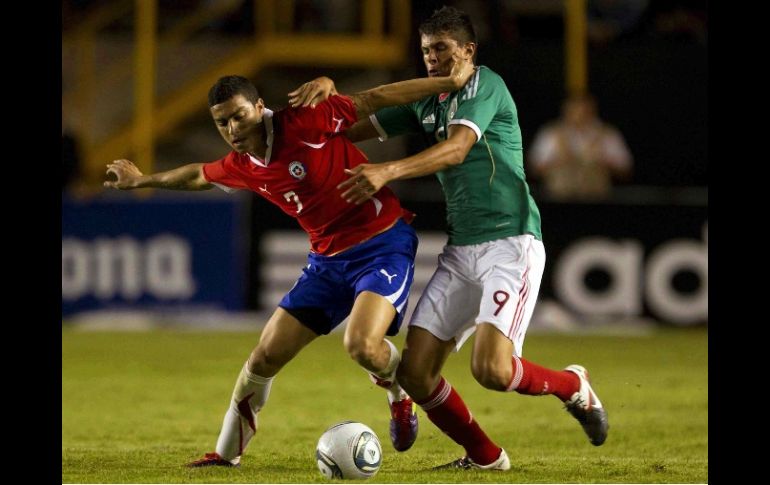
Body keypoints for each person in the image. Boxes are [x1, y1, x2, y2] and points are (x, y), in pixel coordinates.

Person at [103, 63, 475, 467]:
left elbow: (374, 98)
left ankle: (399, 394)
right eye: (222, 123)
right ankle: (226, 456)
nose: (232, 130)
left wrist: (448, 83)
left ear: (259, 107)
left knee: (362, 345)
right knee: (263, 358)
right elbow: (197, 175)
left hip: (382, 244)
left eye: (239, 117)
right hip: (326, 265)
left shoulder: (305, 120)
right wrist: (142, 180)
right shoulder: (242, 165)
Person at [297, 5, 610, 470]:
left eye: (442, 49)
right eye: (426, 51)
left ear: (468, 50)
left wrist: (389, 170)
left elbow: (458, 148)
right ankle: (486, 458)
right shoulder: (427, 101)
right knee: (415, 374)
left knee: (492, 370)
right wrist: (318, 109)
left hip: (512, 241)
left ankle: (573, 386)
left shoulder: (488, 86)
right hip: (461, 249)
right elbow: (347, 124)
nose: (433, 60)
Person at [528, 93, 633, 201]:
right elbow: (534, 168)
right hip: (558, 200)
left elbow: (625, 168)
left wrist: (603, 161)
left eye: (583, 110)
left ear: (592, 110)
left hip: (597, 200)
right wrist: (558, 161)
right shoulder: (550, 134)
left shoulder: (607, 134)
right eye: (574, 110)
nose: (578, 114)